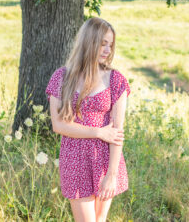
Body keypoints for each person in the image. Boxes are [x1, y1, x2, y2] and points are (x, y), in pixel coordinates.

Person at [45, 17, 131, 222]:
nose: (107, 50)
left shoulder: (116, 80)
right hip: (74, 158)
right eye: (103, 44)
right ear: (89, 42)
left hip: (105, 160)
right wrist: (98, 132)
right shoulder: (62, 77)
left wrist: (111, 175)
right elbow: (58, 125)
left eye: (110, 45)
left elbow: (117, 132)